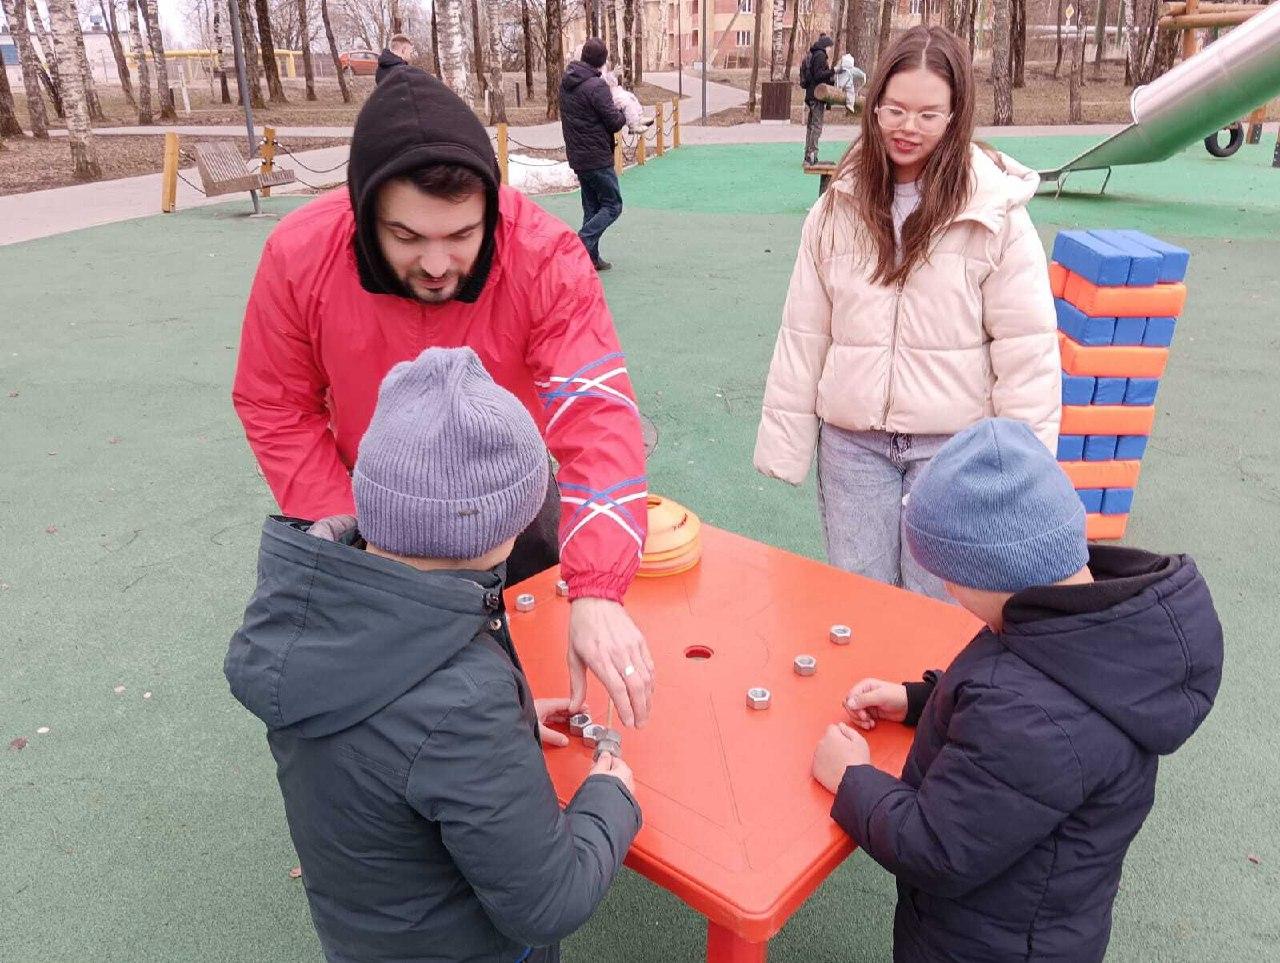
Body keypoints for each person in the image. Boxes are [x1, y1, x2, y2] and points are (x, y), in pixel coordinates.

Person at [232, 68, 656, 730]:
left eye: (461, 236)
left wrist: (598, 587)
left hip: (505, 487)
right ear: (364, 210)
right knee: (380, 694)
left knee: (535, 656)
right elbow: (275, 404)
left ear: (491, 207)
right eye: (407, 237)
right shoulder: (299, 253)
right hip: (370, 494)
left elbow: (596, 411)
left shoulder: (543, 255)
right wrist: (354, 530)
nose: (436, 265)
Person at [226, 347, 643, 963]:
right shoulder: (461, 703)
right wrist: (610, 799)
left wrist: (513, 723)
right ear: (511, 520)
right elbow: (548, 903)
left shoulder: (309, 615)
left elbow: (397, 745)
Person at [812, 417, 1223, 963]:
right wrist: (917, 699)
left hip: (988, 946)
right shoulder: (1081, 626)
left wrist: (851, 779)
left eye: (948, 577)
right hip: (1041, 918)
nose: (947, 589)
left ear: (987, 574)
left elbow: (937, 848)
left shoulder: (1033, 718)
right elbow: (1002, 701)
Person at [754, 26, 1060, 601]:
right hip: (853, 444)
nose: (907, 128)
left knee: (937, 607)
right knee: (861, 597)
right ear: (873, 107)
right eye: (894, 109)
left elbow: (1026, 347)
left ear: (955, 114)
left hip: (952, 448)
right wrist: (785, 439)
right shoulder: (838, 207)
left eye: (927, 113)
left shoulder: (993, 213)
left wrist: (1023, 468)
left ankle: (933, 696)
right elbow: (804, 331)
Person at [559, 38, 627, 271]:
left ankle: (591, 258)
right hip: (597, 156)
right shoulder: (596, 87)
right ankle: (581, 243)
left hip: (579, 156)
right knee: (612, 205)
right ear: (602, 61)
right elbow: (614, 122)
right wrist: (624, 110)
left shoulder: (567, 82)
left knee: (592, 207)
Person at [800, 33, 836, 165]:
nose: (830, 50)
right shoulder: (820, 56)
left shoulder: (813, 54)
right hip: (817, 94)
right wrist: (832, 71)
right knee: (816, 126)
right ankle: (812, 155)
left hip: (810, 95)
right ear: (826, 46)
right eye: (830, 47)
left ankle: (807, 155)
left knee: (811, 126)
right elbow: (819, 75)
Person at [603, 66, 652, 133]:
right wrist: (613, 75)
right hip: (607, 94)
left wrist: (614, 75)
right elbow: (603, 81)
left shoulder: (603, 64)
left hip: (612, 90)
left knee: (631, 96)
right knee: (625, 101)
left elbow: (609, 81)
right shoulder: (596, 65)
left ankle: (639, 117)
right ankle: (633, 125)